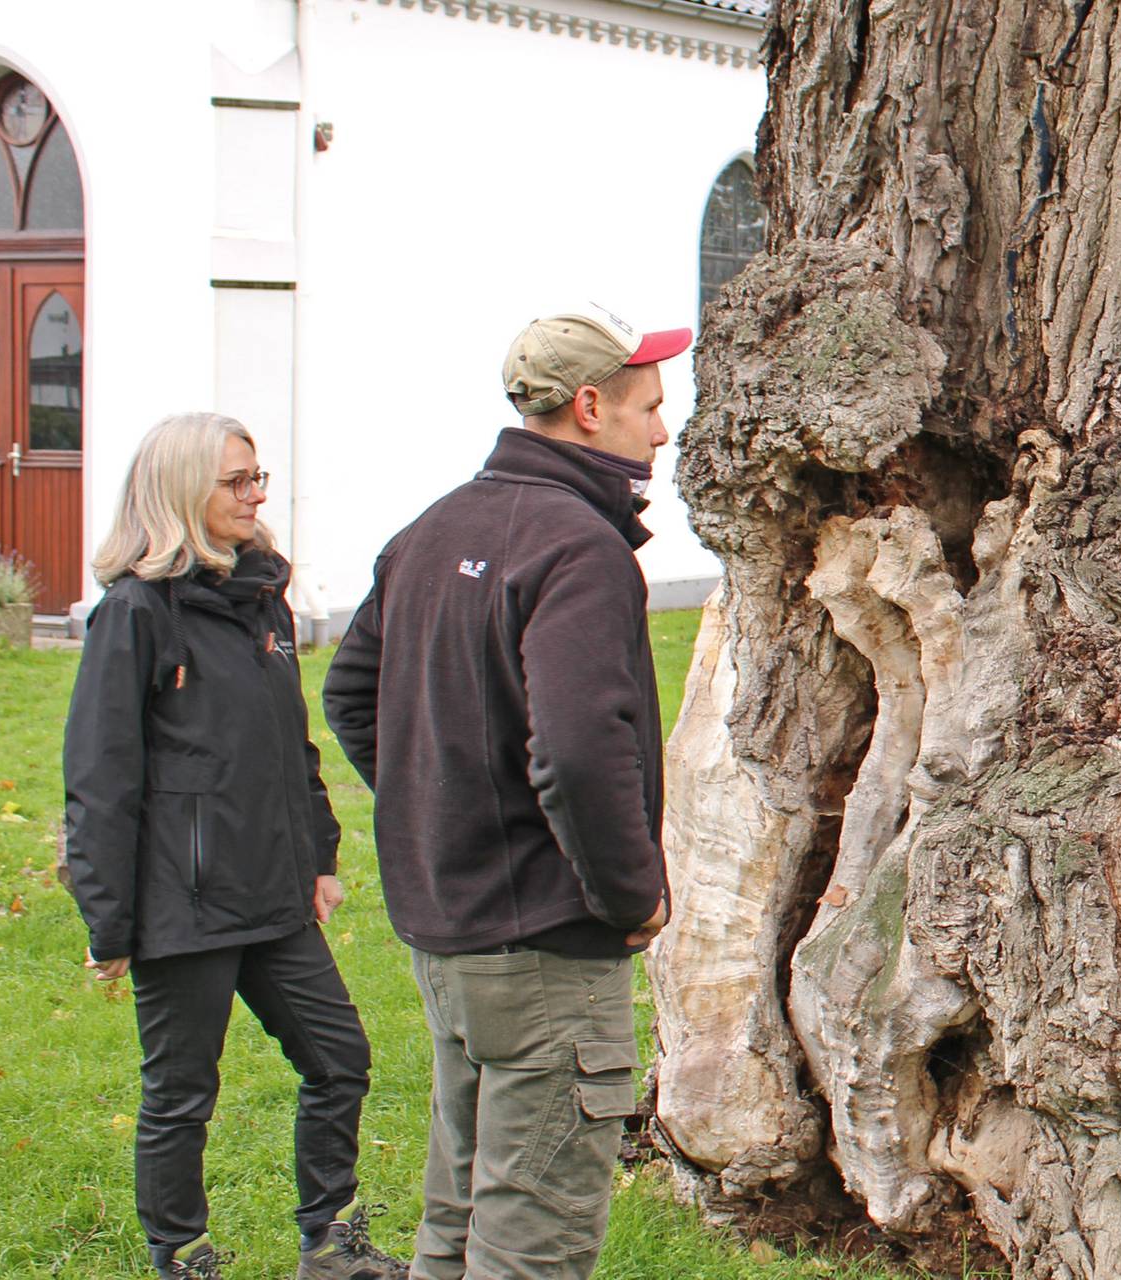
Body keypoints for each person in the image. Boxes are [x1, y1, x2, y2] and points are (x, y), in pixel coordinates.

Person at [323, 305, 683, 1280]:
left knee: (458, 1223)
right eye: (651, 407)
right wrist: (629, 894)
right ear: (589, 405)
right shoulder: (579, 549)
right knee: (529, 1244)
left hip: (451, 938)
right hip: (546, 955)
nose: (662, 430)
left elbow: (351, 693)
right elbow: (576, 749)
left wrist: (445, 815)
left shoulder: (432, 528)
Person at [61, 413, 410, 1280]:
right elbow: (102, 777)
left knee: (340, 1060)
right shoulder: (135, 613)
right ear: (182, 491)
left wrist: (320, 858)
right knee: (182, 1095)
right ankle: (180, 1256)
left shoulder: (263, 599)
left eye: (258, 477)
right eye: (237, 481)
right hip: (181, 904)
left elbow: (289, 747)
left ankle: (330, 1244)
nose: (257, 493)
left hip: (274, 893)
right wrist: (109, 922)